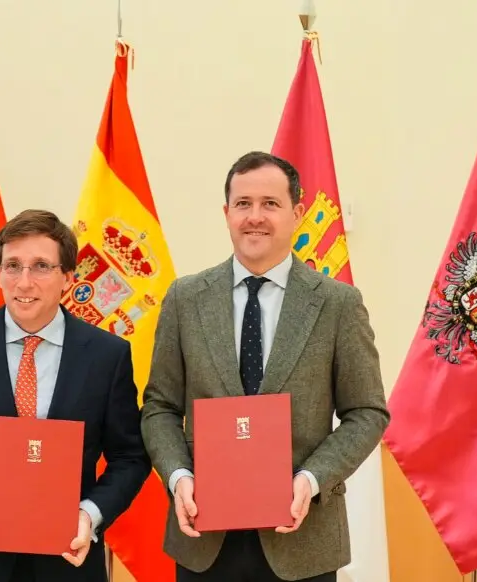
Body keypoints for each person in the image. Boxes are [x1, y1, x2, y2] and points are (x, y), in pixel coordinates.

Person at [141, 151, 390, 582]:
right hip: (204, 539)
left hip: (303, 538)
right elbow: (160, 406)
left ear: (296, 214)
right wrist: (179, 476)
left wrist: (311, 480)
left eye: (270, 204)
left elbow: (367, 412)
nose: (255, 217)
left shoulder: (337, 304)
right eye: (243, 204)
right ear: (226, 213)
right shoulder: (185, 298)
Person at [0, 209, 151, 582]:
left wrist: (89, 515)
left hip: (69, 563)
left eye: (40, 267)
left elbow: (130, 457)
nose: (24, 282)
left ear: (68, 277)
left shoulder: (107, 355)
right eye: (12, 266)